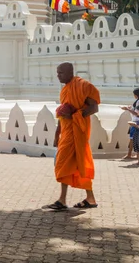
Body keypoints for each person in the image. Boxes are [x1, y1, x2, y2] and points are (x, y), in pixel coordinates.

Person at [44, 62, 100, 211]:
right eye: (57, 73)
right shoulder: (65, 90)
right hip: (67, 133)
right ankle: (89, 198)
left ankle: (63, 200)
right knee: (67, 164)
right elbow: (63, 114)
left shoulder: (83, 86)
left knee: (77, 163)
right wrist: (57, 133)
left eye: (60, 73)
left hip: (78, 132)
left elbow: (94, 107)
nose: (58, 76)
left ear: (70, 72)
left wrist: (76, 115)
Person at [121, 88, 139, 159]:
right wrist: (130, 108)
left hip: (136, 122)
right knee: (135, 139)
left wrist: (127, 109)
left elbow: (137, 114)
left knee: (132, 139)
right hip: (137, 121)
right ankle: (135, 155)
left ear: (136, 95)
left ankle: (129, 154)